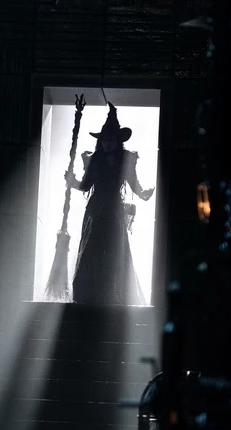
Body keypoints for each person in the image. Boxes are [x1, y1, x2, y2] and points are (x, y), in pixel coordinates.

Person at [64, 103, 154, 306]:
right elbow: (85, 186)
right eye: (105, 140)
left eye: (111, 139)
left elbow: (133, 182)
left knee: (115, 249)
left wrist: (142, 194)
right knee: (93, 249)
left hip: (114, 210)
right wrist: (72, 181)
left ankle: (116, 292)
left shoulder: (126, 160)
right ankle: (89, 293)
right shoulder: (94, 160)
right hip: (96, 210)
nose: (108, 144)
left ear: (118, 141)